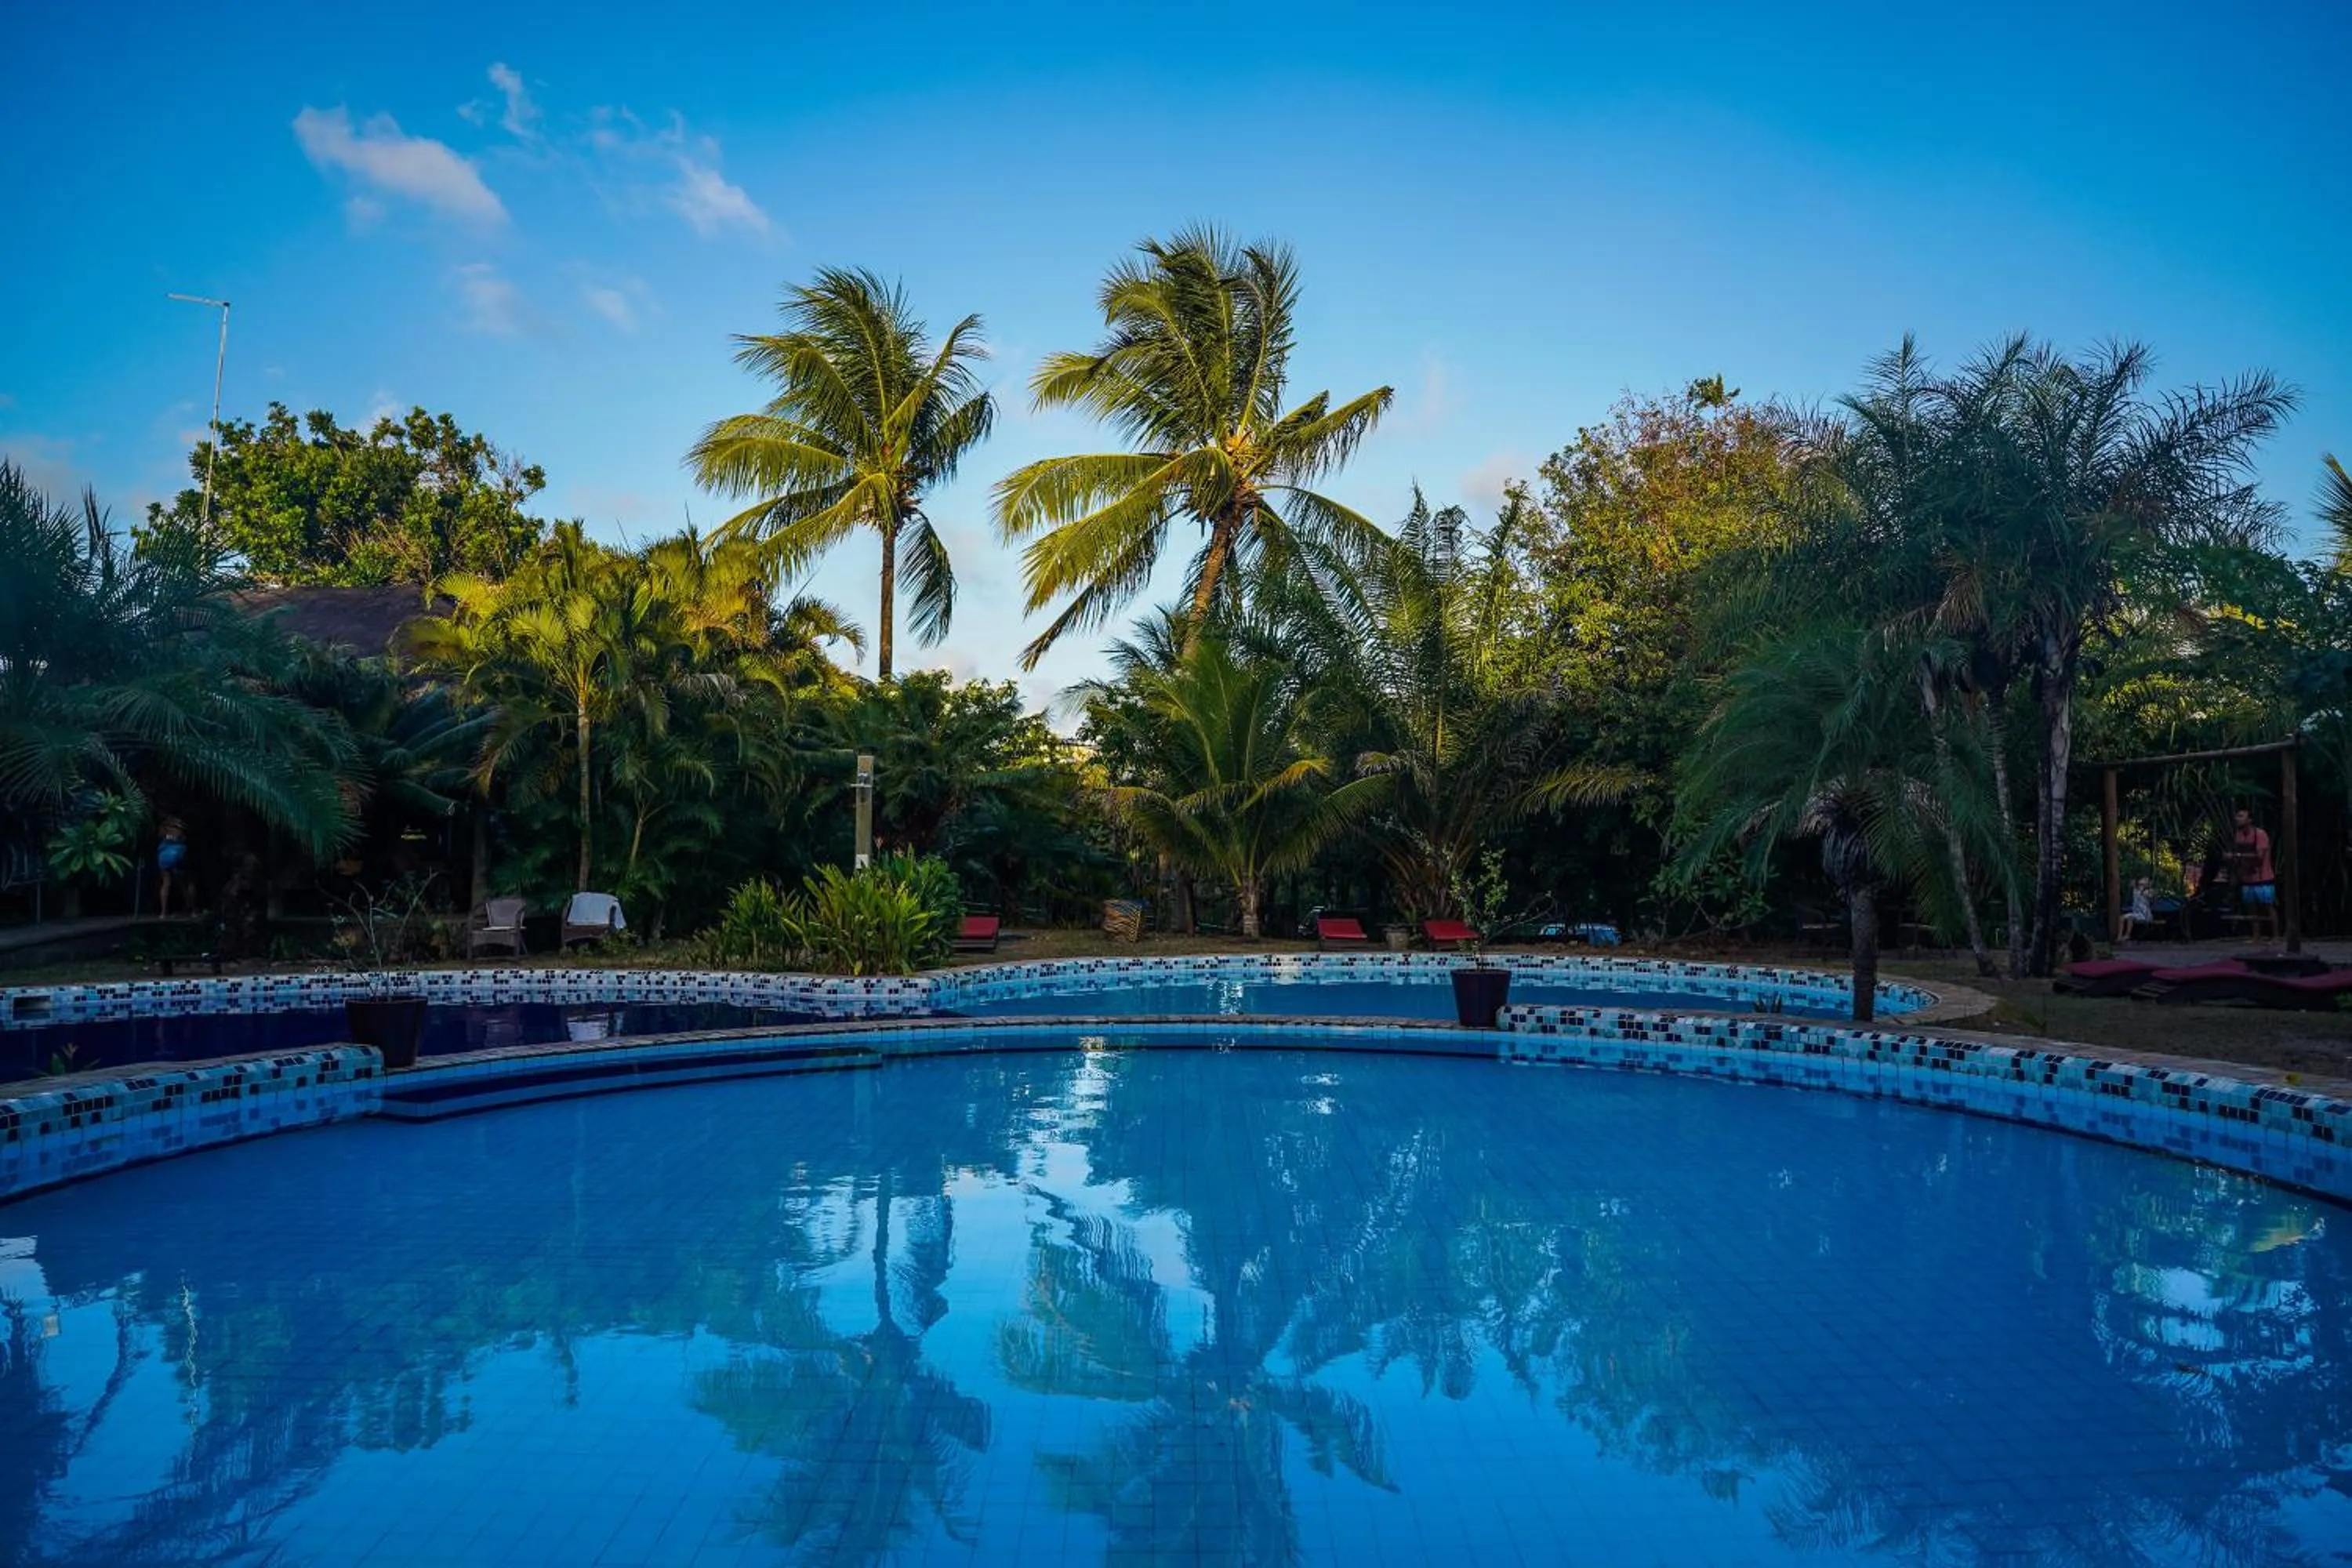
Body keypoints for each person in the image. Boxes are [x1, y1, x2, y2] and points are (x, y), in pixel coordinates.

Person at [2228, 808, 2276, 940]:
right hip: (2247, 877)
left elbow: (2259, 856)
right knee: (2252, 909)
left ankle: (2276, 936)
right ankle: (2256, 935)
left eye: (2241, 816)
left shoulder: (2259, 834)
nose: (2237, 819)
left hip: (2263, 876)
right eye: (2237, 816)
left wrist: (2236, 856)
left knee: (2268, 907)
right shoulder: (2238, 835)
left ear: (2249, 820)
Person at [155, 818, 190, 917]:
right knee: (183, 883)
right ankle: (190, 909)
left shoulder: (163, 828)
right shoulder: (179, 828)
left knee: (166, 883)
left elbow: (160, 838)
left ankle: (163, 912)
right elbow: (183, 839)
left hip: (163, 856)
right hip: (177, 855)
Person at [2118, 877, 2158, 942]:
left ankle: (2122, 936)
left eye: (2145, 880)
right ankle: (2124, 936)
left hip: (2144, 915)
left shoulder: (2148, 891)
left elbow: (2152, 897)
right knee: (2128, 918)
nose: (2143, 880)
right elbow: (2131, 884)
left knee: (2124, 918)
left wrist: (2151, 894)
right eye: (2143, 879)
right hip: (2136, 913)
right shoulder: (2136, 890)